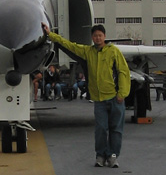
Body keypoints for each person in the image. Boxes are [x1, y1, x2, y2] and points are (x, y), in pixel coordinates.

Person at [42, 22, 130, 167]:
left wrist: (122, 93)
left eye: (100, 35)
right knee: (101, 129)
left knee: (116, 128)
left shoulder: (113, 51)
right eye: (95, 36)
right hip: (99, 99)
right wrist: (50, 35)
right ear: (92, 37)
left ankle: (113, 155)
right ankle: (101, 155)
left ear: (105, 37)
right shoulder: (88, 52)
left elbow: (123, 71)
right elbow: (70, 45)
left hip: (115, 97)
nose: (97, 38)